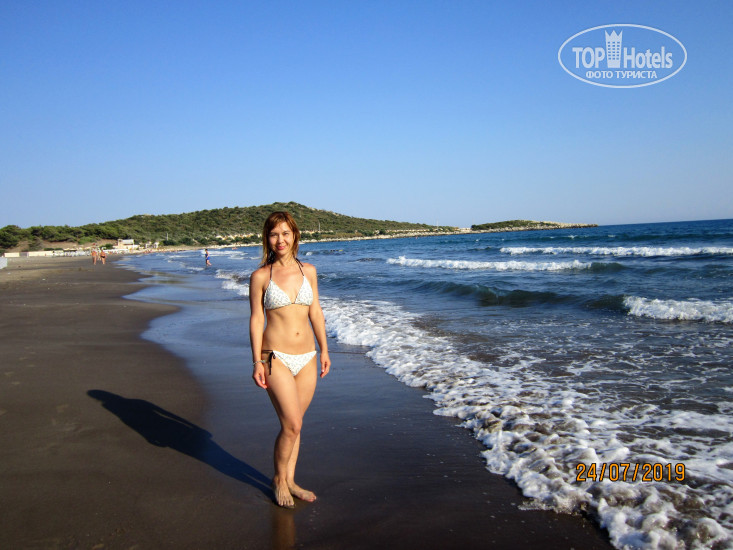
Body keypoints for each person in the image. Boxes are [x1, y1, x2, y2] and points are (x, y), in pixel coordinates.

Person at [249, 211, 331, 508]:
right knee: (292, 423)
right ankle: (279, 480)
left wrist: (324, 349)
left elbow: (316, 312)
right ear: (267, 239)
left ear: (295, 235)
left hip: (307, 357)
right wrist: (256, 362)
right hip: (275, 357)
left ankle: (291, 480)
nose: (280, 240)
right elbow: (257, 320)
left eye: (285, 233)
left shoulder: (309, 271)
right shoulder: (261, 276)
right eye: (274, 234)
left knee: (296, 424)